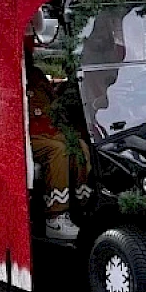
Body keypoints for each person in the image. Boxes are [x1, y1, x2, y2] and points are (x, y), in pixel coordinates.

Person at [25, 44, 92, 240]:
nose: (27, 56)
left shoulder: (36, 75)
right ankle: (55, 217)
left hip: (47, 131)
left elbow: (52, 102)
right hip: (22, 136)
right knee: (58, 150)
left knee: (79, 145)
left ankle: (82, 206)